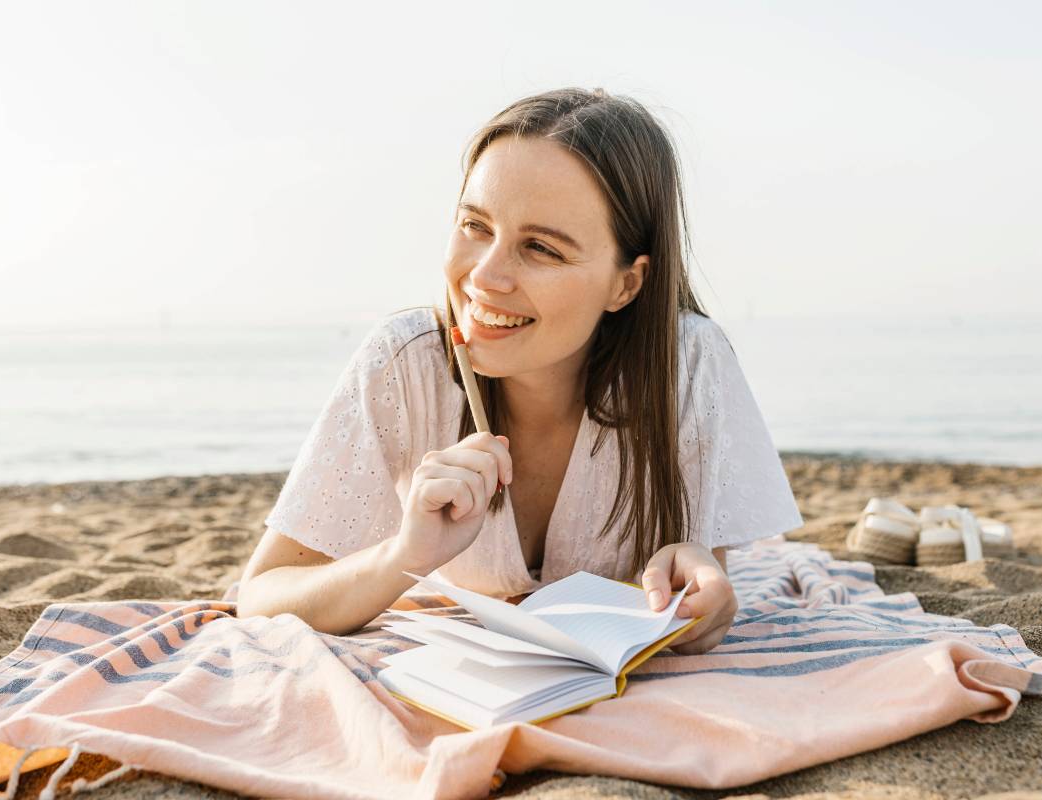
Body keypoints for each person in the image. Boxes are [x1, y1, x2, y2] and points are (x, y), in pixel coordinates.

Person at [238, 87, 802, 655]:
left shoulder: (688, 366)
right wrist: (404, 554)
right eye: (475, 226)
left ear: (626, 283)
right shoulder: (404, 360)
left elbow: (701, 585)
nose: (484, 278)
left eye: (541, 249)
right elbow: (261, 595)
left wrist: (700, 590)